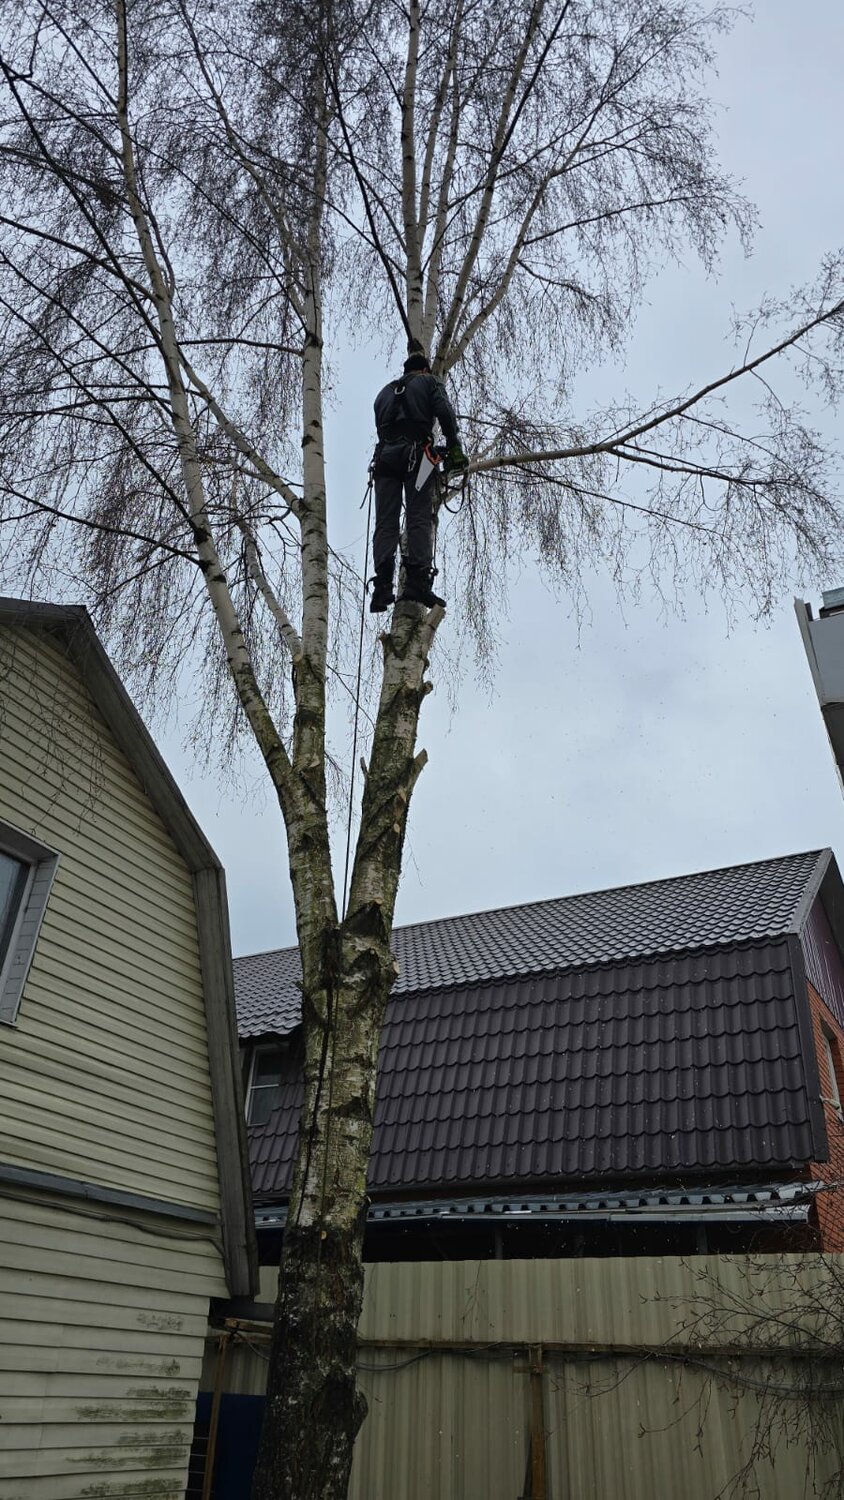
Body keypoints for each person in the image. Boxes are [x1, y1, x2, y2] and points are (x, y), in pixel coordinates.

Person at [369, 350, 468, 611]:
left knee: (385, 522)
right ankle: (417, 580)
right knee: (419, 515)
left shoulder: (383, 394)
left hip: (384, 460)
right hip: (419, 458)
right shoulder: (429, 382)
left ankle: (382, 586)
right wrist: (454, 444)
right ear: (424, 370)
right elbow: (444, 411)